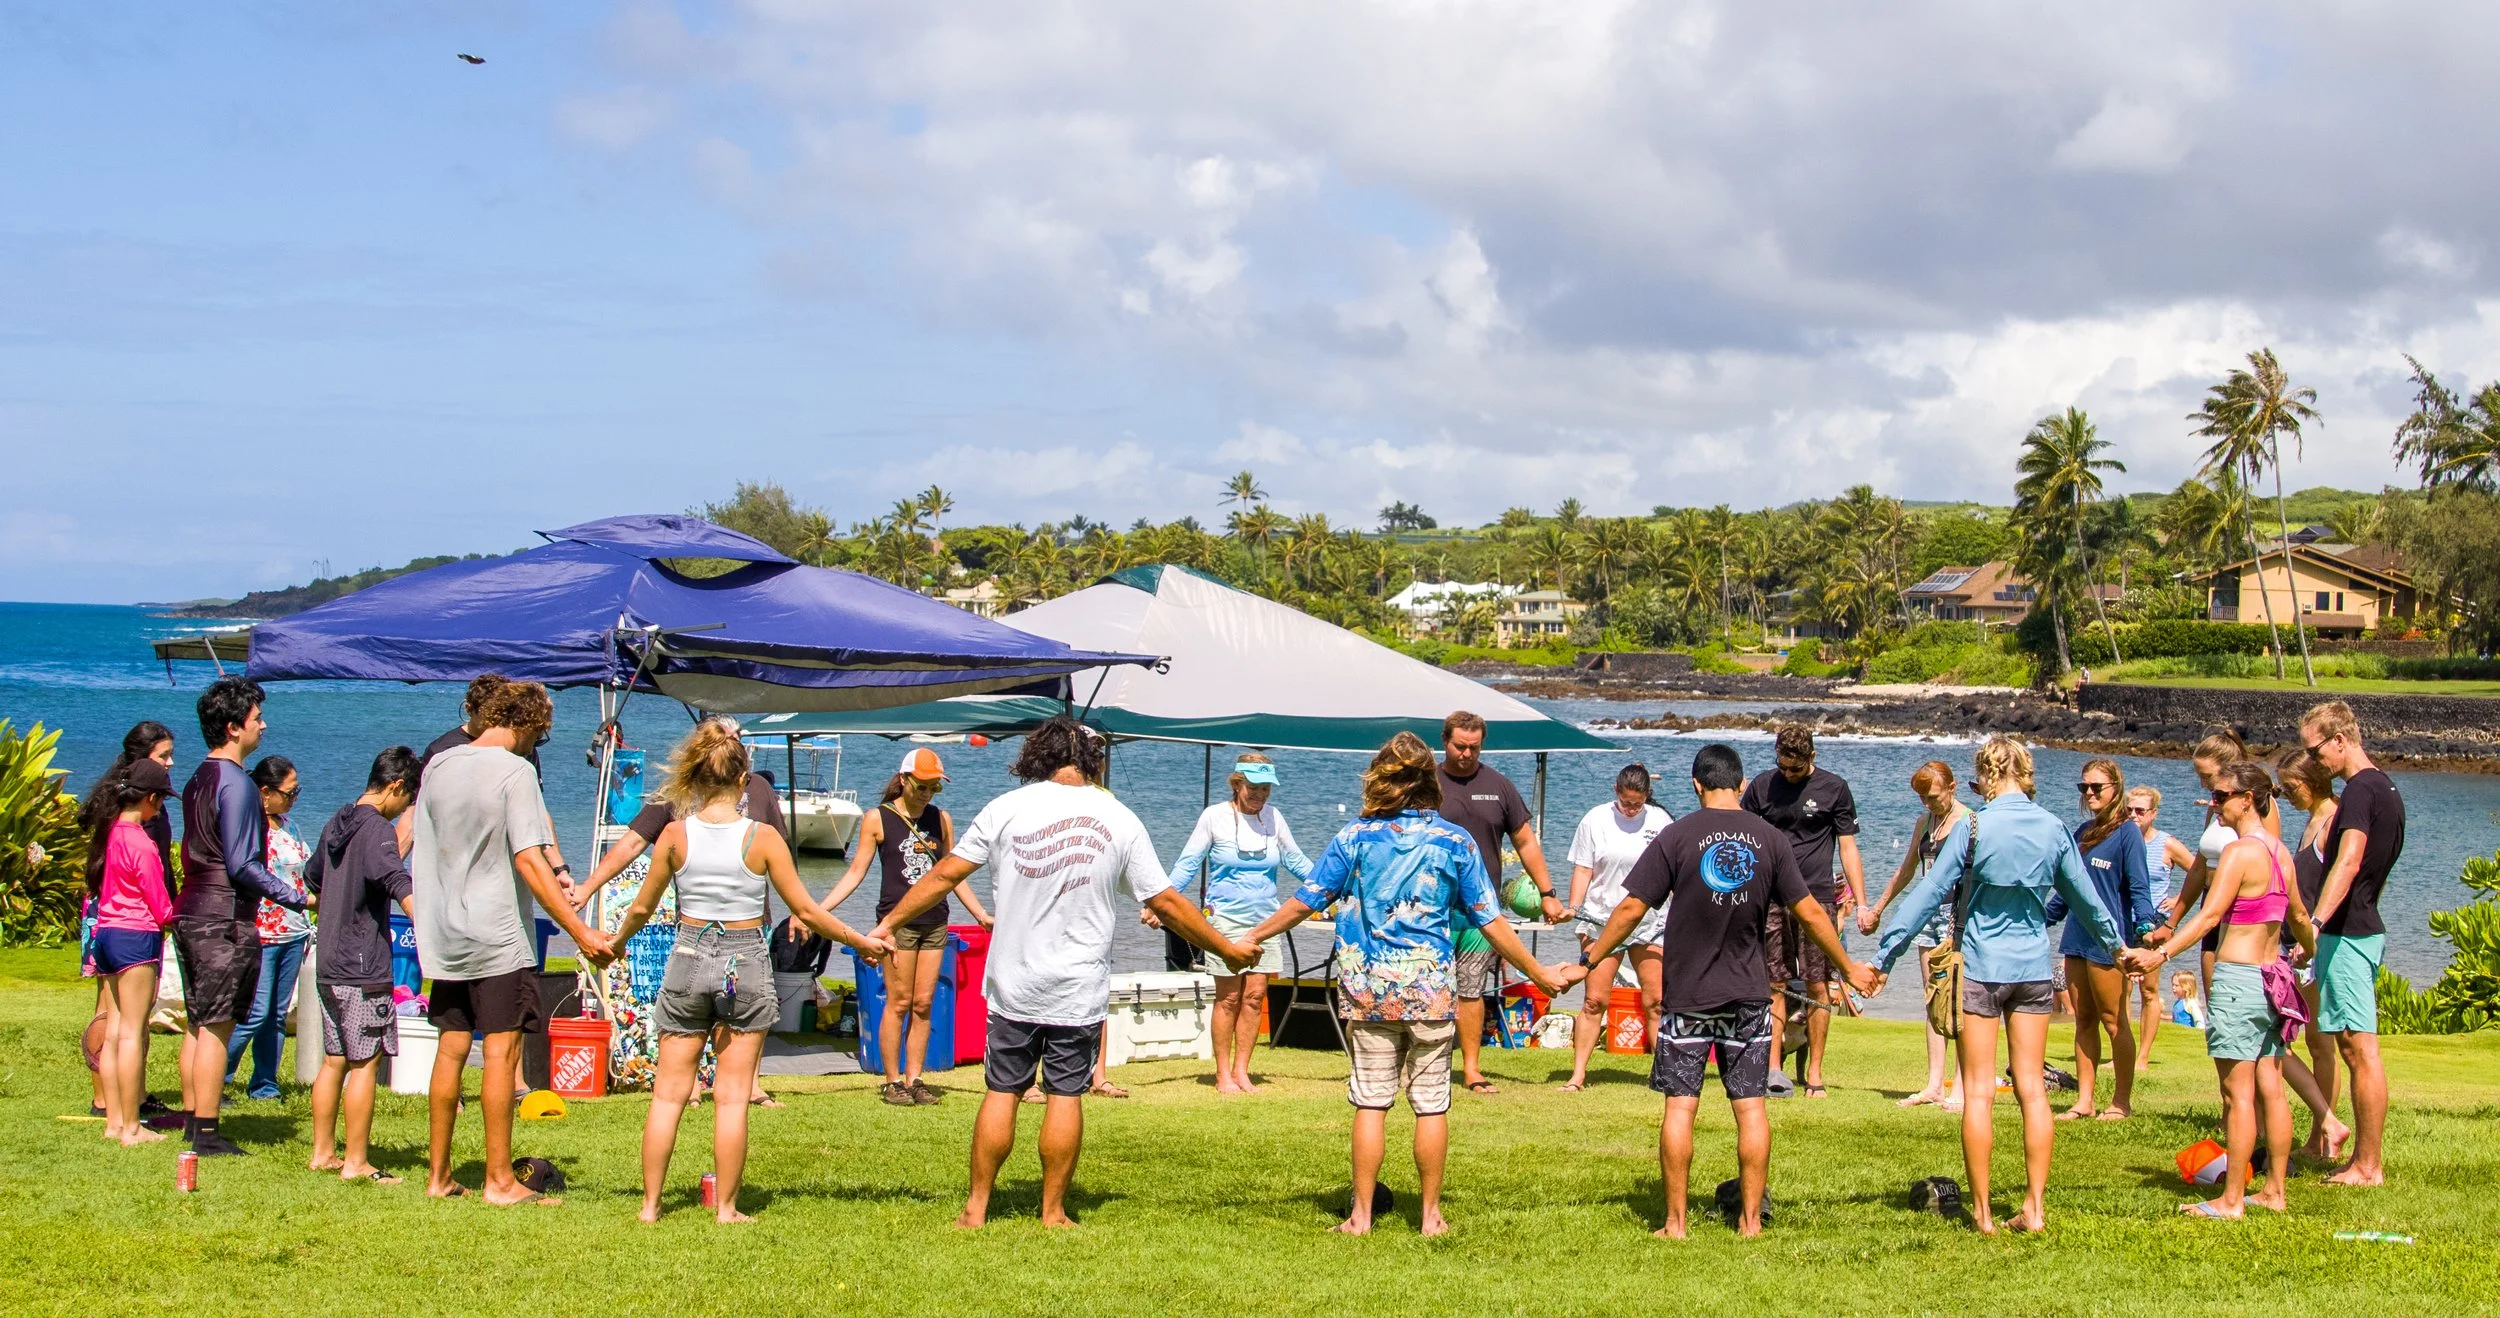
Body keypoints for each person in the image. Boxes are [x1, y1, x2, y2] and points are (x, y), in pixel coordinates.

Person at [873, 715, 1254, 1229]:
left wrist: (889, 924)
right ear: (1093, 762)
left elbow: (945, 874)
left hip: (1014, 982)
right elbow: (1164, 900)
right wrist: (1225, 949)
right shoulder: (1118, 817)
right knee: (1065, 1094)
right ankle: (1052, 1213)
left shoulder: (1007, 808)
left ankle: (975, 1209)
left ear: (1039, 757)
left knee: (1002, 1091)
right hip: (1077, 986)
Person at [1241, 732, 1581, 1236]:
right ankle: (1429, 1216)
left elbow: (1305, 901)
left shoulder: (1354, 838)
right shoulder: (1453, 841)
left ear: (1380, 779)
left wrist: (1249, 937)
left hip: (1369, 991)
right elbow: (1491, 921)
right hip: (1430, 993)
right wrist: (1539, 972)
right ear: (1431, 780)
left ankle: (1360, 1216)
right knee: (1431, 1104)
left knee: (1371, 1102)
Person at [595, 721, 890, 1223]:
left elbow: (642, 908)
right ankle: (726, 1208)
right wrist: (860, 939)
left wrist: (614, 945)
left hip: (687, 956)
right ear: (744, 779)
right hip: (746, 959)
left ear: (694, 777)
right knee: (732, 1099)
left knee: (668, 1094)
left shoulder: (673, 834)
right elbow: (809, 912)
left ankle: (649, 1207)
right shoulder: (764, 837)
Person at [1582, 744, 1877, 1238]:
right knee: (1751, 1107)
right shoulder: (1771, 839)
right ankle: (1750, 1222)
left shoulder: (1675, 835)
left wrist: (1591, 959)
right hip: (1750, 995)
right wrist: (1847, 967)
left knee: (1681, 1106)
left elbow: (1632, 909)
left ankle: (1674, 1224)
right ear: (1742, 786)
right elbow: (1809, 911)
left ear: (1696, 784)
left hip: (1689, 996)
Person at [1872, 736, 2126, 1235]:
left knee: (1981, 1095)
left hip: (1982, 972)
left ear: (1987, 776)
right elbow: (2086, 900)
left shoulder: (1973, 826)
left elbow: (1927, 894)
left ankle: (1984, 1214)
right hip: (2033, 970)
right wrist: (2118, 948)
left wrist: (1886, 955)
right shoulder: (2054, 827)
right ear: (2026, 773)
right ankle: (2034, 1207)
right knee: (2033, 1091)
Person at [408, 678, 612, 1204]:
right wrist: (580, 929)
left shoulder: (438, 765)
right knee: (500, 1055)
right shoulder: (516, 772)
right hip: (498, 934)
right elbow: (529, 857)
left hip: (446, 931)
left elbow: (422, 847)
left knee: (451, 1050)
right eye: (539, 737)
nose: (534, 747)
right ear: (526, 726)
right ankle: (499, 1181)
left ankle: (438, 1176)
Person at [2123, 760, 2317, 1218]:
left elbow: (2210, 917)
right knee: (2271, 1086)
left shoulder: (2238, 853)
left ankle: (2231, 1199)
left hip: (2239, 980)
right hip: (2274, 980)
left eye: (2222, 796)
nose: (2214, 803)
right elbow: (2301, 918)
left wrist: (2160, 954)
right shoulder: (2278, 851)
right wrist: (2308, 953)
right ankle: (2274, 1191)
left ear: (2247, 799)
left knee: (2238, 1095)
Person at [574, 715, 797, 1108]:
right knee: (694, 1008)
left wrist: (798, 910)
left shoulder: (759, 788)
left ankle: (751, 1085)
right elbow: (632, 843)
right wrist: (587, 888)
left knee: (745, 1014)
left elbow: (781, 850)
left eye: (735, 739)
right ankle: (689, 1084)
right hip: (695, 925)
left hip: (751, 922)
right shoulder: (678, 792)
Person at [172, 676, 309, 1156]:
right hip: (222, 916)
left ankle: (194, 1119)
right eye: (256, 719)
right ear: (234, 728)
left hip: (190, 909)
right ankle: (206, 1130)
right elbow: (243, 864)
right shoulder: (237, 783)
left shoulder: (197, 776)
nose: (263, 726)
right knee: (217, 1025)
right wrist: (299, 898)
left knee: (198, 1021)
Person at [824, 747, 994, 1106]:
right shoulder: (878, 818)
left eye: (935, 787)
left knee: (923, 1003)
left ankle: (915, 1078)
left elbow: (952, 875)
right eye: (922, 785)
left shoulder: (941, 819)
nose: (928, 793)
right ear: (903, 780)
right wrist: (817, 910)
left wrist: (980, 914)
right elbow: (856, 872)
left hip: (935, 922)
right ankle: (891, 1081)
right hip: (896, 924)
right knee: (898, 1002)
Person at [304, 747, 423, 1183]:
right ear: (394, 787)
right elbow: (395, 879)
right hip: (361, 964)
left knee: (334, 1058)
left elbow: (313, 876)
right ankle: (355, 1162)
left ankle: (322, 1152)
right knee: (365, 1063)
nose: (404, 809)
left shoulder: (337, 820)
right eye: (406, 799)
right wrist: (426, 923)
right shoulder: (377, 830)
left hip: (329, 957)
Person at [1164, 752, 1312, 1095]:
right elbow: (1188, 862)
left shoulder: (1274, 818)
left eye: (1265, 789)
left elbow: (1296, 860)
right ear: (1237, 784)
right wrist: (1161, 902)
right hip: (1225, 918)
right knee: (1229, 997)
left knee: (1255, 996)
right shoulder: (1214, 817)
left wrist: (1332, 886)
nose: (1259, 795)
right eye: (1253, 787)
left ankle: (1242, 1071)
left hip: (1267, 920)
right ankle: (1222, 1074)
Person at [2301, 699, 2403, 1188]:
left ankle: (2368, 1165)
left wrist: (2316, 921)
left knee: (2360, 1049)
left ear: (2340, 740)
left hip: (2350, 931)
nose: (2313, 761)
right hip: (2363, 927)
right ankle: (2364, 1162)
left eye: (2316, 750)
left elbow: (2351, 860)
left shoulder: (2360, 791)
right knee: (2352, 1045)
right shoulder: (2384, 786)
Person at [1434, 711, 1564, 1096]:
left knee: (1471, 990)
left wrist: (1547, 893)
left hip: (1481, 911)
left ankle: (1471, 1069)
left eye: (1474, 747)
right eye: (1460, 746)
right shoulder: (1428, 784)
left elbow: (1525, 842)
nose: (1466, 754)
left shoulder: (1499, 786)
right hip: (1432, 908)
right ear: (1445, 741)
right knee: (1430, 988)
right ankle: (1428, 1063)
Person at [1739, 725, 1864, 1098]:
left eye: (1795, 769)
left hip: (1817, 897)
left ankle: (1815, 1074)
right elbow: (1741, 836)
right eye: (1783, 767)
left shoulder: (1834, 788)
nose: (1788, 776)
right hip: (1770, 897)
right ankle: (1774, 1069)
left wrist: (1861, 900)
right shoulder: (1761, 786)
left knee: (1817, 984)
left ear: (1813, 757)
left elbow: (1848, 848)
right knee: (1773, 983)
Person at [77, 721, 179, 1125]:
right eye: (164, 755)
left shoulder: (116, 818)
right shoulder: (137, 832)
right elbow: (156, 896)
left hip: (109, 920)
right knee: (125, 1024)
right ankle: (117, 1108)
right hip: (130, 923)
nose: (171, 762)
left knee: (118, 1021)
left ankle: (119, 1107)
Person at [2053, 759, 2158, 1121]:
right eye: (2085, 787)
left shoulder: (2128, 833)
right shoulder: (2081, 833)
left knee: (2114, 1021)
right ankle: (2084, 1101)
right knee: (2082, 1019)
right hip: (2075, 938)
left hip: (2109, 943)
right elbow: (2066, 892)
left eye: (2098, 786)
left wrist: (2145, 932)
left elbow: (2139, 888)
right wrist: (2034, 917)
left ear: (2117, 787)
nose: (2091, 793)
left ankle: (2121, 1101)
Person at [1557, 763, 1671, 1093]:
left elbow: (1673, 872)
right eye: (1626, 802)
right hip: (1601, 919)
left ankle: (1663, 1076)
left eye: (1637, 803)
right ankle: (1577, 1076)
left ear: (1647, 796)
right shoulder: (1595, 820)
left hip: (1649, 922)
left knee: (1656, 1001)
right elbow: (1583, 870)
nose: (1631, 809)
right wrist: (1574, 908)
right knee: (1594, 1000)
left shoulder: (1661, 821)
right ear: (1615, 791)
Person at [1867, 761, 1971, 1111]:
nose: (1928, 804)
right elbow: (1907, 869)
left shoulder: (1970, 822)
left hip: (1960, 918)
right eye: (1923, 798)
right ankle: (1934, 1084)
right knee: (1933, 1000)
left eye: (1934, 797)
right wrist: (1880, 908)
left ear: (1953, 787)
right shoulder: (1925, 822)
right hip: (1928, 917)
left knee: (1960, 1002)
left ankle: (1962, 1087)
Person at [2274, 747, 2354, 1163]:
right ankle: (2321, 1130)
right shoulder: (2311, 819)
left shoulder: (2333, 820)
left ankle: (2321, 1137)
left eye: (2290, 788)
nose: (2286, 795)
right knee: (2304, 1039)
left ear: (2311, 782)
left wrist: (2313, 941)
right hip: (2295, 944)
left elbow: (2342, 885)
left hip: (2314, 946)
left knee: (2321, 1043)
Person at [412, 674, 568, 885]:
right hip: (455, 867)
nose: (494, 723)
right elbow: (416, 814)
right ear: (469, 710)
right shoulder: (441, 753)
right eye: (489, 714)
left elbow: (536, 812)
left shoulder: (522, 749)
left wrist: (558, 867)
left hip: (500, 867)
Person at [223, 756, 312, 1100]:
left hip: (293, 930)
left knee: (276, 1014)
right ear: (264, 793)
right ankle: (218, 1076)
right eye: (290, 793)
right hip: (262, 932)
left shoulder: (289, 825)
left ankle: (264, 1083)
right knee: (253, 1012)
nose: (294, 798)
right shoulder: (249, 828)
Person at [2124, 787, 2195, 1069]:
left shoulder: (2167, 844)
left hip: (2151, 924)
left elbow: (2201, 875)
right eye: (2129, 810)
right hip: (2121, 920)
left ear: (2153, 814)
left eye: (2140, 811)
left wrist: (2178, 900)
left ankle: (2142, 1057)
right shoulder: (2120, 839)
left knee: (2149, 991)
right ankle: (2124, 1053)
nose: (2133, 816)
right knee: (2119, 992)